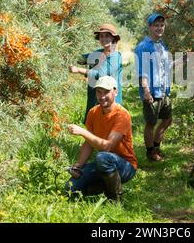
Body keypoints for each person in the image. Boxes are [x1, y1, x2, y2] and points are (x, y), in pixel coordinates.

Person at [66, 76, 137, 202]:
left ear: (115, 92)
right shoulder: (93, 112)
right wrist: (78, 165)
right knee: (70, 189)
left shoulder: (122, 115)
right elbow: (89, 143)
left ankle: (116, 198)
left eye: (106, 92)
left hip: (126, 166)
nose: (102, 96)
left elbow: (107, 146)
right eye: (99, 92)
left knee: (102, 157)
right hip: (103, 164)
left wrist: (83, 132)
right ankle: (104, 186)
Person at [134, 13, 172, 162]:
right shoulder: (143, 47)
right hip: (151, 91)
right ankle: (150, 152)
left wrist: (180, 62)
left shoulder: (161, 45)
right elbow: (141, 72)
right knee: (151, 123)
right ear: (149, 27)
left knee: (167, 120)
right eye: (156, 25)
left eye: (161, 25)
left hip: (163, 90)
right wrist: (146, 91)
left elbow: (164, 66)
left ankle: (156, 147)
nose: (159, 28)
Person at [69, 23, 123, 123]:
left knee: (107, 125)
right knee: (94, 125)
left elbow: (101, 74)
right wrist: (66, 48)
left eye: (107, 36)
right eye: (101, 36)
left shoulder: (116, 56)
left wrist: (78, 70)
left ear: (113, 38)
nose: (103, 39)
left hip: (109, 98)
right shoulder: (98, 53)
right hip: (95, 96)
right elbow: (80, 58)